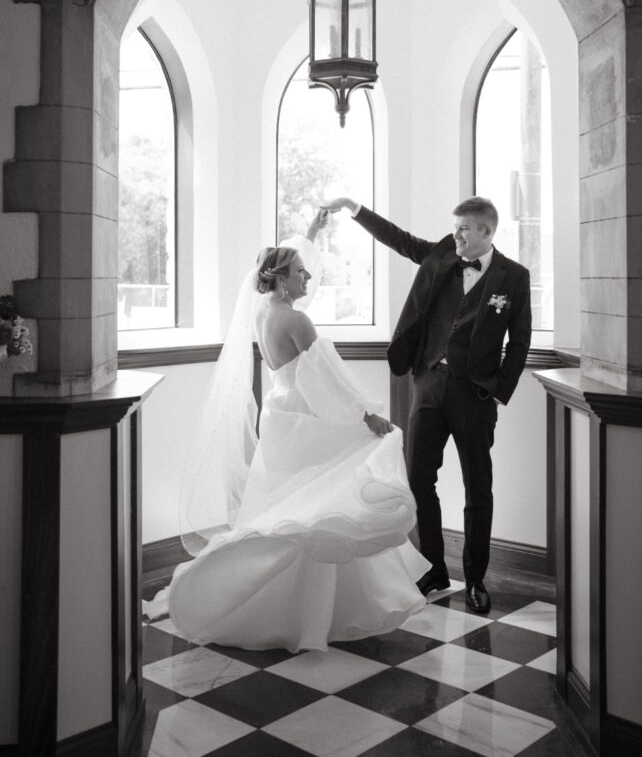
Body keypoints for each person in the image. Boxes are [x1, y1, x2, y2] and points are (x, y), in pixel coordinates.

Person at [160, 211, 428, 652]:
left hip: (279, 415)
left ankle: (281, 600)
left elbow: (302, 365)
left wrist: (312, 236)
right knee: (318, 505)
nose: (310, 279)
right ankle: (316, 611)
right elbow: (330, 378)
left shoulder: (264, 314)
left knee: (288, 502)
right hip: (303, 417)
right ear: (283, 279)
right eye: (302, 273)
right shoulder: (298, 322)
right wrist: (368, 416)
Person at [323, 196, 532, 614]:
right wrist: (354, 209)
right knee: (419, 478)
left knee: (478, 487)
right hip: (430, 387)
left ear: (487, 232)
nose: (456, 234)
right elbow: (398, 240)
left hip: (474, 396)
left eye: (465, 229)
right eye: (455, 226)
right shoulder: (439, 254)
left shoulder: (515, 277)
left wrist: (496, 388)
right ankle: (435, 567)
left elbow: (520, 340)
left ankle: (474, 578)